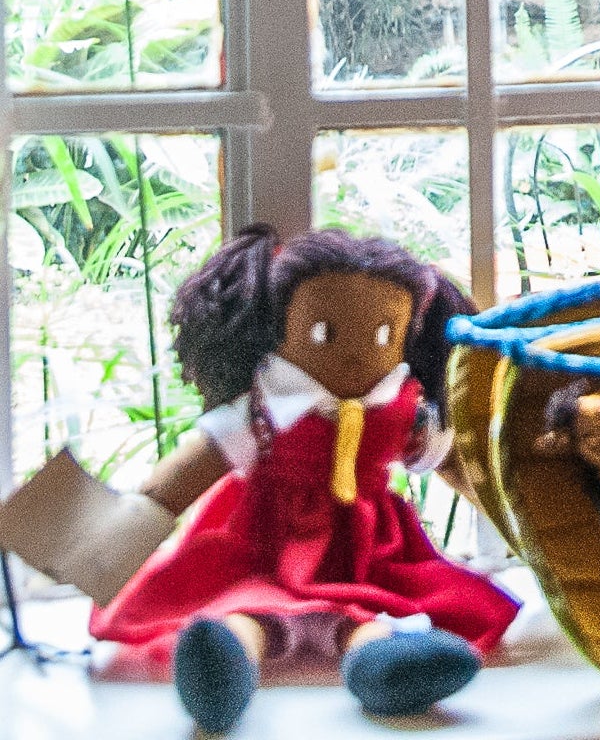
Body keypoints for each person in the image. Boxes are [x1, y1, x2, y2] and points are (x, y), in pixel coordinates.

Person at [89, 225, 518, 731]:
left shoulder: (404, 411)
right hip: (266, 543)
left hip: (366, 550)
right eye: (323, 334)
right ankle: (224, 665)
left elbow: (465, 473)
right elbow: (176, 483)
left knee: (360, 616)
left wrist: (519, 523)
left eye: (385, 335)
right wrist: (102, 543)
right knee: (247, 605)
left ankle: (383, 668)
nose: (359, 354)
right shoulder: (262, 412)